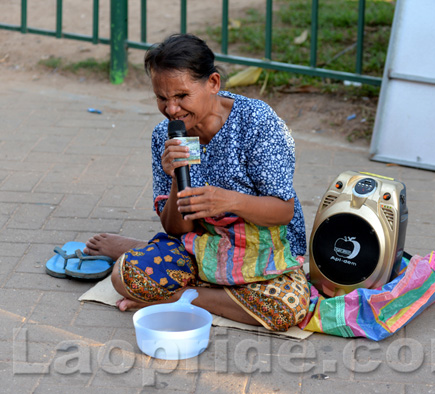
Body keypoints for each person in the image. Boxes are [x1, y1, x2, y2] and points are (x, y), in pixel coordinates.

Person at [84, 33, 309, 332]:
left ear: (213, 83)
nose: (172, 110)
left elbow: (283, 211)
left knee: (286, 309)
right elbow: (176, 228)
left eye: (181, 97)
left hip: (262, 243)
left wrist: (229, 201)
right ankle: (184, 272)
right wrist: (177, 176)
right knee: (125, 278)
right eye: (162, 99)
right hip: (199, 243)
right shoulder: (165, 135)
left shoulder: (256, 121)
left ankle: (177, 295)